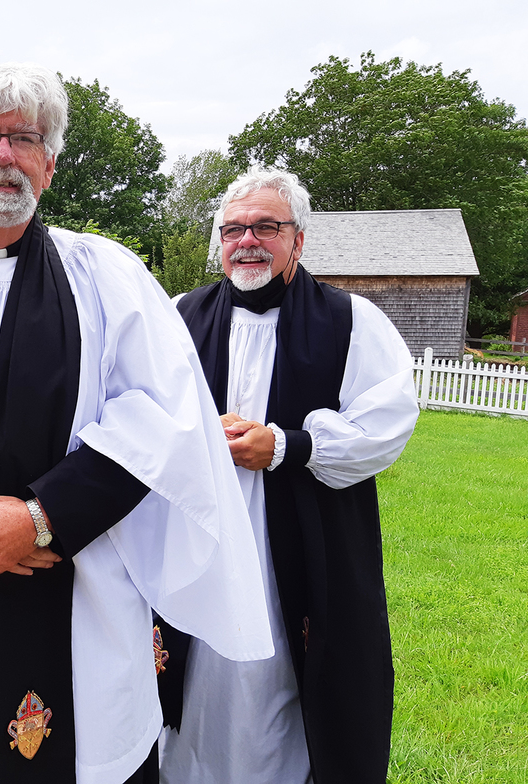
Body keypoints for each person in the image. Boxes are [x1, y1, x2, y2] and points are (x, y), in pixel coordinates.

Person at [0, 63, 273, 784]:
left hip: (73, 572)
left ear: (49, 164)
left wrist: (40, 517)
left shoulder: (107, 274)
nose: (3, 155)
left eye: (24, 139)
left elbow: (157, 415)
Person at [157, 166, 420, 783]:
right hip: (200, 538)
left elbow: (386, 423)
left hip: (299, 543)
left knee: (274, 679)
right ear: (218, 242)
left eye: (266, 228)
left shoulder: (350, 321)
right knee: (195, 683)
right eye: (233, 229)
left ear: (297, 240)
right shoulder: (178, 318)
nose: (247, 241)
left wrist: (285, 445)